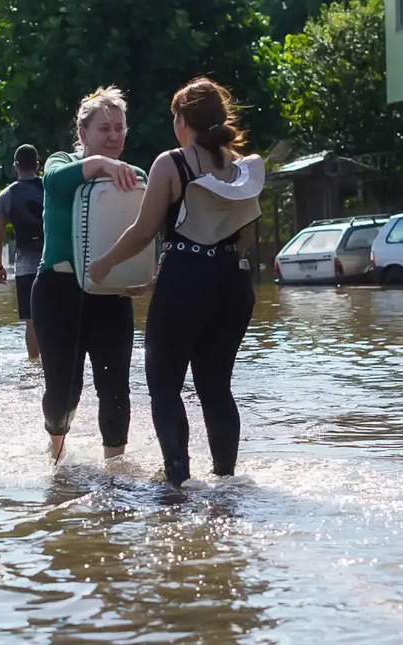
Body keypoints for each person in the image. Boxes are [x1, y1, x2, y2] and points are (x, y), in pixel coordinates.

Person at [88, 77, 257, 486]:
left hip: (185, 279)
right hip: (234, 284)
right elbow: (249, 237)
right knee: (217, 388)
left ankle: (177, 481)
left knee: (164, 386)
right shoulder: (243, 167)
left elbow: (144, 231)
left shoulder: (171, 162)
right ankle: (226, 482)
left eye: (175, 117)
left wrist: (104, 264)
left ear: (183, 120)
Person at [31, 86, 147, 463]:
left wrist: (145, 274)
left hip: (111, 292)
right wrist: (100, 165)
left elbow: (147, 232)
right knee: (65, 390)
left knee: (115, 387)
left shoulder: (135, 176)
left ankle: (115, 472)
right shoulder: (59, 162)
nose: (114, 136)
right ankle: (56, 454)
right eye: (104, 129)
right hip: (57, 292)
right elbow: (54, 182)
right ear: (83, 133)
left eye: (119, 128)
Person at [0, 144, 44, 361]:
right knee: (59, 316)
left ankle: (33, 365)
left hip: (25, 267)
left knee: (31, 319)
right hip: (57, 261)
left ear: (15, 166)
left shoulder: (6, 195)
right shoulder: (50, 189)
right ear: (38, 165)